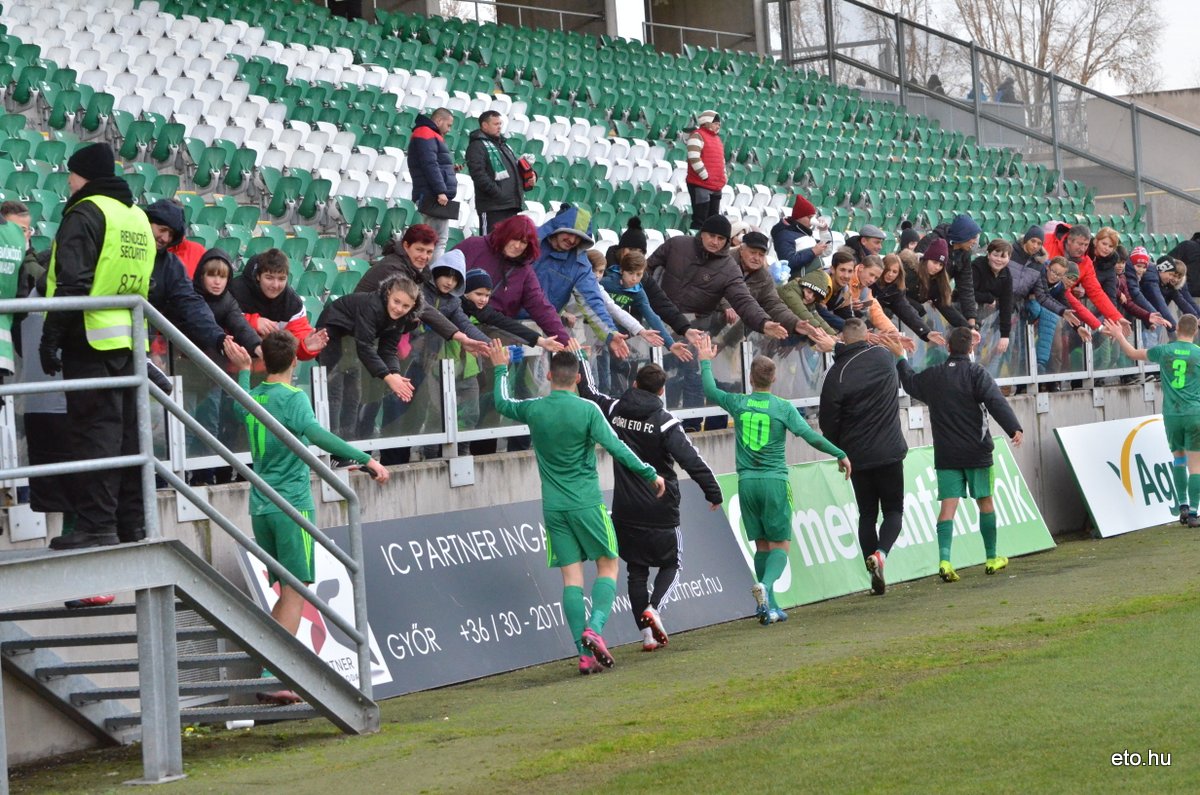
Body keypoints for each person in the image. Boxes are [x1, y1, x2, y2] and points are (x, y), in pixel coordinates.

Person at [227, 331, 389, 704]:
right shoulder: (294, 398)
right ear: (295, 363)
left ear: (263, 361)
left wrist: (243, 372)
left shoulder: (254, 395)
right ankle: (273, 673)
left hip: (260, 506)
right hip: (292, 506)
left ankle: (275, 667)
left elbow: (238, 408)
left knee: (285, 592)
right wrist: (365, 459)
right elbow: (317, 434)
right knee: (298, 591)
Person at [489, 340, 666, 674]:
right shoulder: (587, 410)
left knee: (571, 579)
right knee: (608, 564)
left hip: (554, 509)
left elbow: (501, 402)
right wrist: (649, 473)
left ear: (549, 376)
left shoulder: (534, 409)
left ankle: (583, 655)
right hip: (586, 503)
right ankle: (594, 630)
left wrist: (500, 367)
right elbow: (617, 447)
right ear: (578, 379)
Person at [39, 142, 155, 549]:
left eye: (71, 174)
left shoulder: (85, 212)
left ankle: (96, 527)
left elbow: (73, 284)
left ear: (83, 175)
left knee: (94, 436)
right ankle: (133, 525)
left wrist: (49, 338)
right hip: (129, 343)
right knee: (128, 438)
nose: (68, 182)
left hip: (88, 339)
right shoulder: (137, 217)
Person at [576, 345, 723, 651]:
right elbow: (690, 459)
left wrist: (579, 356)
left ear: (634, 384)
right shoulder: (665, 421)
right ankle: (654, 609)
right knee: (673, 564)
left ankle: (646, 635)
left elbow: (588, 392)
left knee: (636, 570)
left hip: (626, 509)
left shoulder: (616, 409)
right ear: (661, 390)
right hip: (661, 504)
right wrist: (712, 490)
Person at [698, 334, 850, 624]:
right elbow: (809, 436)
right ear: (774, 377)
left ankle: (768, 607)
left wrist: (705, 361)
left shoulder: (739, 403)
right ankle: (766, 588)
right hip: (774, 482)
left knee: (762, 546)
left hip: (746, 484)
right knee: (781, 546)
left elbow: (709, 388)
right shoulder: (783, 408)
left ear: (750, 378)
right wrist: (839, 453)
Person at [885, 327, 1024, 582]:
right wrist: (1013, 427)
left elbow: (910, 383)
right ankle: (992, 557)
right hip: (977, 451)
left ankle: (945, 561)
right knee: (986, 502)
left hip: (947, 453)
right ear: (971, 348)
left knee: (948, 507)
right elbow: (995, 401)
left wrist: (901, 358)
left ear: (947, 347)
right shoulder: (976, 373)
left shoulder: (935, 375)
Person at [814, 318, 907, 595]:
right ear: (868, 336)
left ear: (843, 337)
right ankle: (881, 555)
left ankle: (873, 578)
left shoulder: (836, 374)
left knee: (867, 514)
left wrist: (840, 450)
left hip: (858, 456)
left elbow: (828, 422)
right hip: (890, 451)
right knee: (893, 511)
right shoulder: (882, 357)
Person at [1103, 314, 1200, 525]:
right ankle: (1193, 513)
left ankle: (1182, 506)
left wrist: (1119, 335)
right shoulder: (1198, 354)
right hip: (1194, 413)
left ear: (1177, 329)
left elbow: (1131, 353)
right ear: (1195, 331)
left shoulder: (1164, 351)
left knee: (1179, 459)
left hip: (1172, 414)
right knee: (1196, 466)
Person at [316, 274, 425, 439]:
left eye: (405, 306)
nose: (399, 309)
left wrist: (395, 373)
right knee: (334, 394)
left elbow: (388, 349)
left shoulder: (401, 318)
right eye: (396, 302)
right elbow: (365, 347)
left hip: (351, 340)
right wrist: (388, 377)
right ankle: (331, 446)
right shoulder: (371, 306)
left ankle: (348, 445)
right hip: (331, 334)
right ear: (388, 293)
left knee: (353, 395)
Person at [229, 249, 329, 360]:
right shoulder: (235, 290)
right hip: (225, 365)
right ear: (258, 276)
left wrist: (305, 346)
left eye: (281, 279)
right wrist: (252, 322)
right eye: (269, 278)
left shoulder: (292, 303)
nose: (275, 285)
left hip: (267, 367)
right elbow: (219, 317)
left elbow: (297, 338)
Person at [465, 110, 530, 233]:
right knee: (489, 243)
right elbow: (478, 175)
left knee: (505, 245)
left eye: (500, 124)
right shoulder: (477, 146)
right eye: (496, 124)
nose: (499, 127)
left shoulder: (503, 145)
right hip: (492, 206)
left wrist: (529, 177)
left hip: (510, 205)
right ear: (484, 125)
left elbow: (515, 170)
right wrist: (498, 193)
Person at [408, 108, 457, 258]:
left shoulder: (429, 133)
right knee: (437, 240)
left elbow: (434, 164)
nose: (449, 129)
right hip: (432, 195)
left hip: (432, 192)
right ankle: (433, 276)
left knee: (435, 239)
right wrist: (440, 190)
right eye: (448, 125)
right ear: (439, 121)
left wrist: (450, 170)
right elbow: (429, 164)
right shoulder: (426, 132)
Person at [971, 239, 1015, 355]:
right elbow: (966, 292)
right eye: (995, 255)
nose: (999, 260)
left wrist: (1005, 335)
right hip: (966, 313)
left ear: (1009, 258)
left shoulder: (1006, 274)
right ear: (988, 254)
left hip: (986, 317)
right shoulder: (977, 266)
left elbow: (1007, 304)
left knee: (979, 350)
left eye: (1003, 257)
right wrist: (989, 298)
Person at [685, 109, 726, 229]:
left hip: (716, 185)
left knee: (712, 221)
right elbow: (694, 157)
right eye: (716, 123)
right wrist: (704, 175)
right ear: (707, 122)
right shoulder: (697, 135)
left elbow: (721, 160)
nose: (718, 126)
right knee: (700, 219)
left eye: (719, 124)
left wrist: (723, 176)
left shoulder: (717, 139)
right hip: (701, 184)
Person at [770, 194, 830, 275]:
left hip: (814, 280)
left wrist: (824, 232)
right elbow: (788, 262)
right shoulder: (784, 235)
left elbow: (827, 251)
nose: (812, 220)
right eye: (809, 217)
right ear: (800, 217)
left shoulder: (804, 232)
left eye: (813, 217)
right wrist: (812, 252)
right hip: (798, 283)